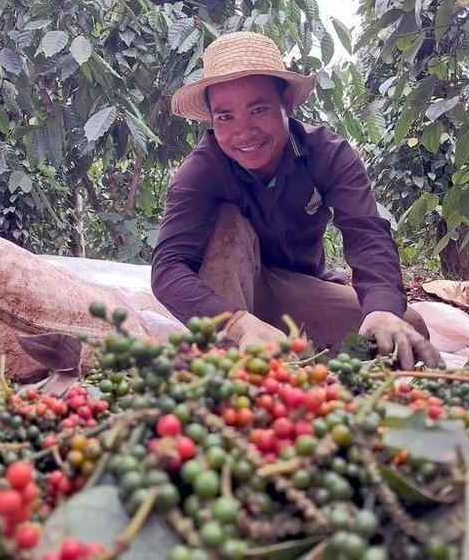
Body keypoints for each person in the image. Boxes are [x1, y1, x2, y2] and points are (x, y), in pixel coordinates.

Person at [151, 31, 441, 369]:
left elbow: (367, 234)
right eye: (225, 117)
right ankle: (232, 367)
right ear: (212, 120)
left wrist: (380, 309)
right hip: (228, 298)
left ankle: (315, 364)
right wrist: (236, 324)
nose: (243, 132)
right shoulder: (201, 171)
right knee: (226, 223)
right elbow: (168, 267)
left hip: (298, 287)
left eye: (258, 110)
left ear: (286, 103)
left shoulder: (329, 155)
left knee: (406, 328)